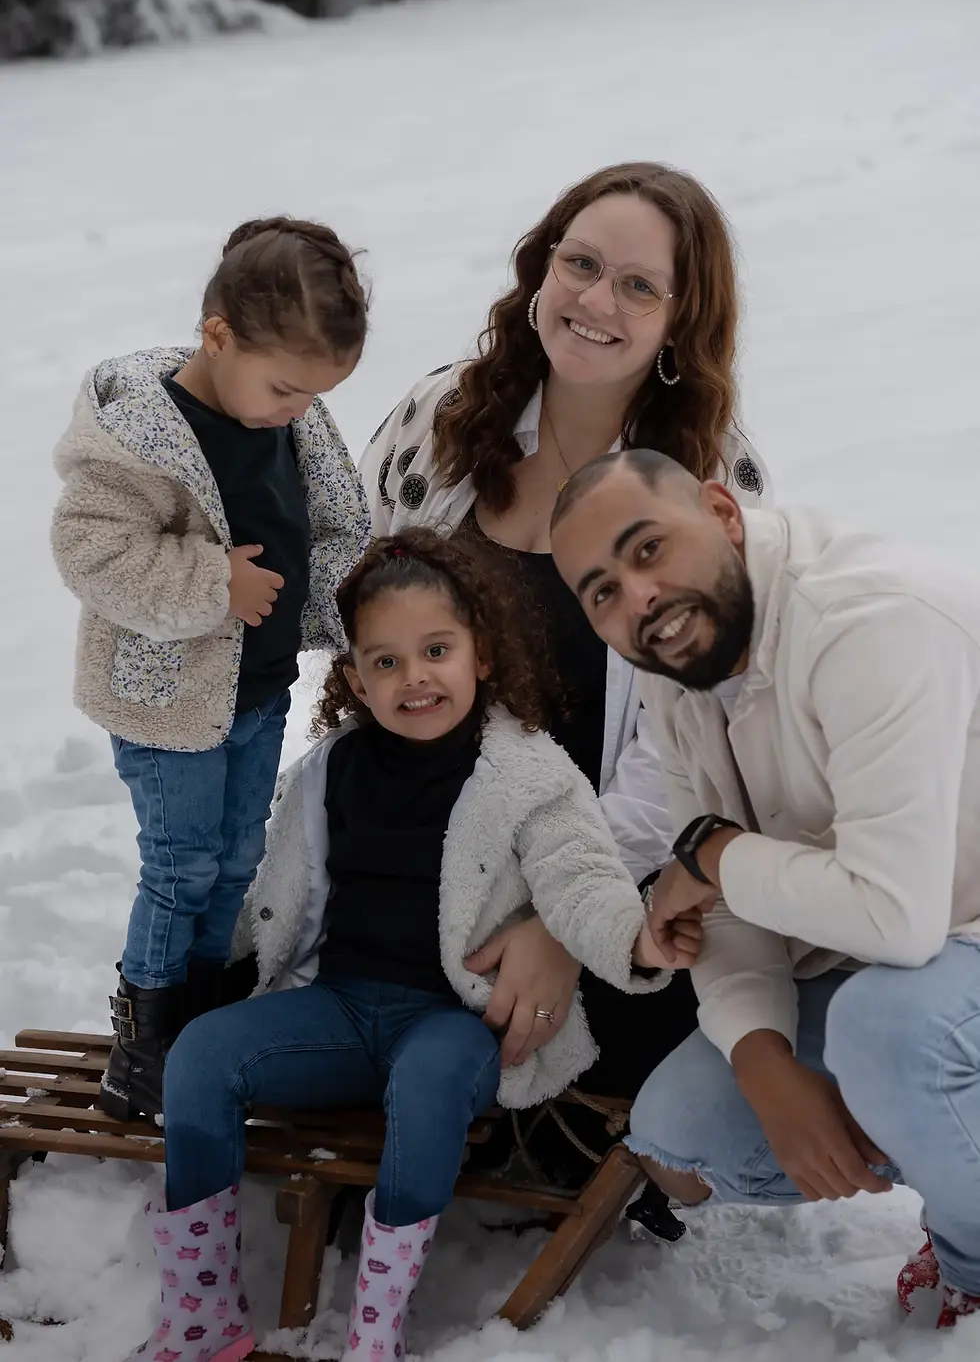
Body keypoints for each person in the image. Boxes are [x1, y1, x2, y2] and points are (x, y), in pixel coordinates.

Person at [123, 528, 694, 1362]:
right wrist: (194, 960)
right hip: (339, 1010)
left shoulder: (529, 775)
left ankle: (375, 1330)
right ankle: (204, 1313)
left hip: (453, 1024)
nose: (413, 677)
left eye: (436, 650)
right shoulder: (331, 769)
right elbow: (276, 895)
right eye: (385, 662)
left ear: (482, 657)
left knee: (428, 1083)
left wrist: (635, 946)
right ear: (354, 677)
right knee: (203, 1057)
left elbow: (584, 881)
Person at [359, 162, 771, 1117]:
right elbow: (366, 638)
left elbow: (695, 744)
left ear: (681, 320)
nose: (596, 301)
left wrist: (560, 915)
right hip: (427, 843)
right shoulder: (440, 419)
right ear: (540, 270)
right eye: (579, 264)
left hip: (608, 869)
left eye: (638, 286)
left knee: (649, 1035)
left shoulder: (715, 480)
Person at [549, 447, 980, 1330]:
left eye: (648, 549)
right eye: (601, 591)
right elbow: (726, 900)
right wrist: (762, 1056)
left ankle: (974, 1259)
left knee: (889, 1035)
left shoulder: (869, 619)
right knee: (681, 1130)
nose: (639, 600)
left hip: (929, 952)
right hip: (914, 960)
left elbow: (892, 917)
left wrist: (711, 854)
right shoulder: (688, 670)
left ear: (723, 511)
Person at [50, 217, 371, 1124]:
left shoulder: (291, 418)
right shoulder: (139, 436)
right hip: (165, 704)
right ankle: (145, 1037)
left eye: (313, 394)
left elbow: (339, 522)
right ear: (218, 333)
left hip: (260, 691)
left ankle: (202, 1019)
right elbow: (91, 549)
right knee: (181, 863)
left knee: (234, 859)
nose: (295, 410)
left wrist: (360, 609)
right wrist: (208, 580)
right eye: (283, 388)